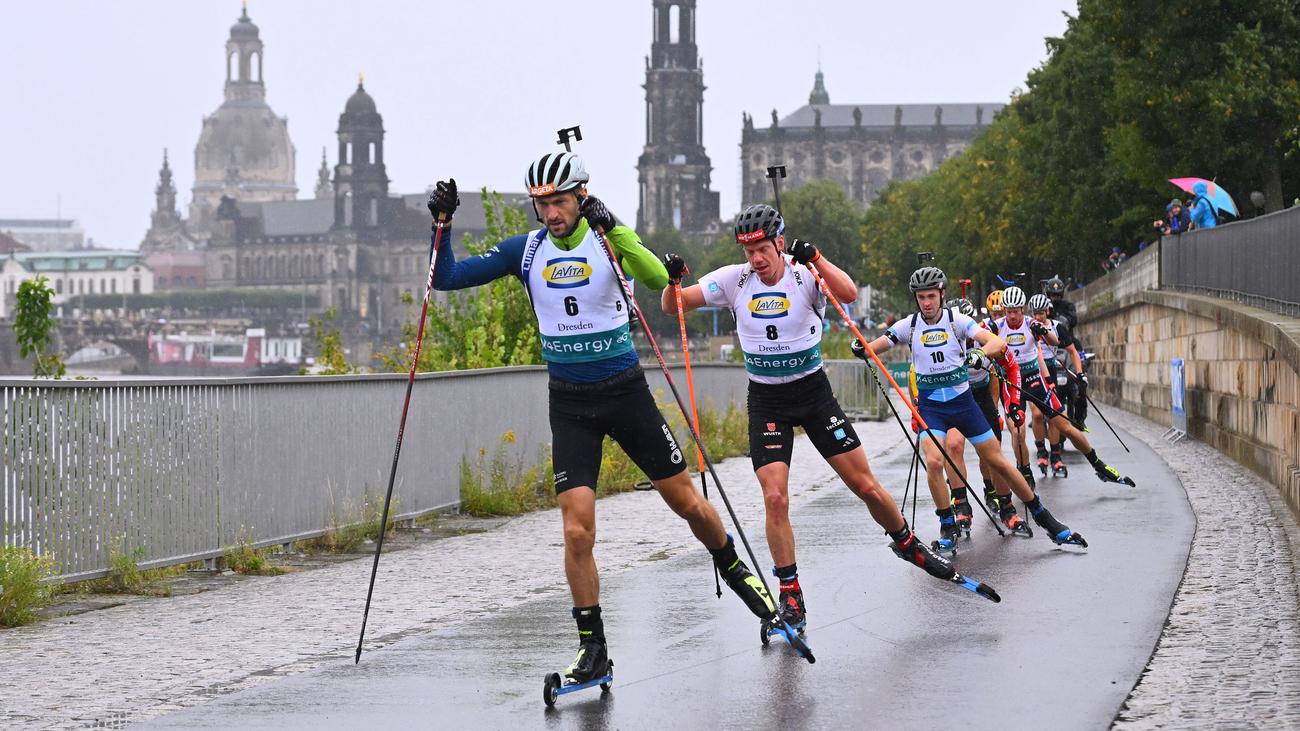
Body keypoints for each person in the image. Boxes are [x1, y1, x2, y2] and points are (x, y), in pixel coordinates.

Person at [427, 154, 779, 684]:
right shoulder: (526, 251)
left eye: (559, 200)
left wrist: (612, 225)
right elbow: (448, 278)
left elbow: (661, 280)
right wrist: (442, 226)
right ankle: (593, 650)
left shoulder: (610, 242)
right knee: (575, 531)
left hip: (624, 393)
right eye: (541, 203)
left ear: (581, 195)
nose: (549, 212)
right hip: (569, 403)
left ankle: (736, 570)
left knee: (686, 501)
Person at [661, 204, 959, 631]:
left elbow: (850, 293)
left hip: (813, 394)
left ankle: (907, 542)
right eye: (749, 252)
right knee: (776, 497)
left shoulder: (804, 274)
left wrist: (816, 257)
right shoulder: (735, 279)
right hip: (766, 400)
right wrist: (673, 280)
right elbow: (675, 307)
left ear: (779, 243)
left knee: (865, 486)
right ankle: (791, 595)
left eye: (763, 249)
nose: (756, 259)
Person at [856, 268, 1087, 548]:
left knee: (998, 461)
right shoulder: (911, 325)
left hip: (964, 404)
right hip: (932, 408)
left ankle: (1045, 519)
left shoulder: (958, 321)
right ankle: (947, 526)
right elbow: (882, 343)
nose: (926, 302)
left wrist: (980, 351)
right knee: (933, 462)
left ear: (942, 294)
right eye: (921, 297)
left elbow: (996, 343)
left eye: (931, 296)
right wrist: (863, 347)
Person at [995, 287, 1133, 487]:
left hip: (1035, 380)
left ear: (1023, 308)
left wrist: (1045, 331)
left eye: (1016, 310)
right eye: (1009, 311)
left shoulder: (1030, 323)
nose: (1013, 315)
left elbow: (1054, 341)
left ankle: (1098, 465)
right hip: (1012, 382)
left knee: (1065, 425)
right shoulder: (996, 326)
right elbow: (979, 337)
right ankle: (1025, 472)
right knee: (1018, 432)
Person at [1028, 294, 1086, 475]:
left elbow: (1073, 351)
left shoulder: (1057, 327)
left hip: (1052, 371)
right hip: (1032, 372)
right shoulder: (1027, 326)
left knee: (1053, 416)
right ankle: (1041, 451)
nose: (1038, 317)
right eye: (1035, 314)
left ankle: (1056, 455)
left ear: (1047, 312)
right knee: (1037, 415)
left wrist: (1080, 373)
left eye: (1041, 314)